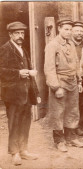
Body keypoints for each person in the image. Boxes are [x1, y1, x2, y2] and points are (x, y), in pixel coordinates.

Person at [0, 21, 40, 165]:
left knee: (25, 122)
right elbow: (1, 72)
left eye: (22, 33)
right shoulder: (5, 49)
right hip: (13, 94)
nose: (20, 36)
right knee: (14, 123)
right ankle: (14, 153)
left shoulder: (23, 49)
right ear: (10, 34)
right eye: (17, 33)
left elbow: (28, 71)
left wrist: (35, 92)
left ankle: (23, 150)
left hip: (26, 94)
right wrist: (18, 73)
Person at [44, 19, 83, 152]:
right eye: (66, 29)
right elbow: (49, 68)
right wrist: (56, 87)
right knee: (58, 112)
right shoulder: (52, 45)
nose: (69, 32)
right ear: (59, 29)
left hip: (72, 81)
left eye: (70, 30)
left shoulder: (72, 45)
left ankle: (71, 137)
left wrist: (79, 80)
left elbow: (76, 62)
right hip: (60, 81)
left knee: (72, 110)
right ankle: (59, 141)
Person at [71, 21, 83, 136]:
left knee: (82, 102)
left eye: (81, 31)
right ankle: (72, 127)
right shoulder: (68, 45)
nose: (79, 33)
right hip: (71, 78)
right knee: (72, 103)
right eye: (77, 31)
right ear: (72, 32)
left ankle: (80, 125)